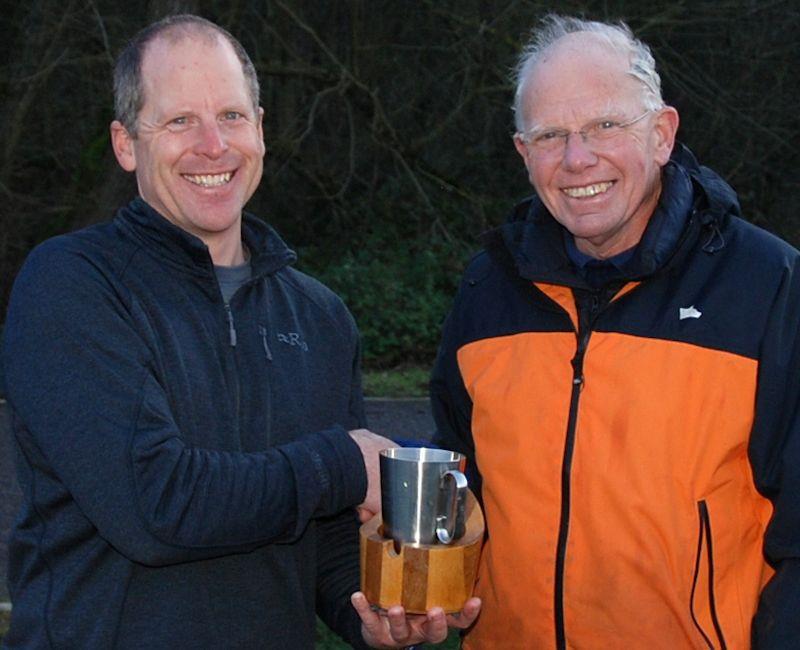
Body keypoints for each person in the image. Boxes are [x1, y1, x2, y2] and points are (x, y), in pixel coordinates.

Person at [1, 14, 478, 649]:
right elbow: (155, 508)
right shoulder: (73, 286)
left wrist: (376, 612)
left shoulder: (320, 318)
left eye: (231, 116)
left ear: (260, 129)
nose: (212, 145)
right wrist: (343, 462)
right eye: (179, 121)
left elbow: (326, 538)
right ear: (124, 143)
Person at [431, 13, 799, 649]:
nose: (578, 158)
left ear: (661, 134)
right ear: (523, 153)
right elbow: (456, 491)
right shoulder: (487, 290)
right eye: (550, 135)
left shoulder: (767, 285)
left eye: (606, 125)